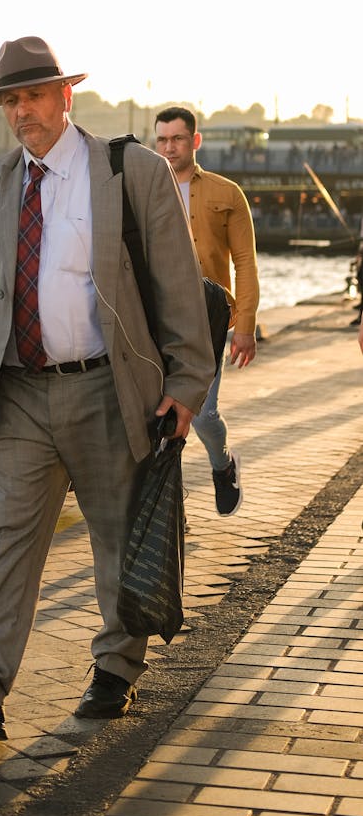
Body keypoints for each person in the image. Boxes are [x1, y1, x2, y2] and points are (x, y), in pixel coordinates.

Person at [0, 36, 214, 742]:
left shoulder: (129, 171)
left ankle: (115, 670)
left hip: (108, 388)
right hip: (16, 392)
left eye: (34, 95)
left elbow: (176, 284)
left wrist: (190, 383)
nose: (22, 112)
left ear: (65, 96)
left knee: (116, 537)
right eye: (10, 100)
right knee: (6, 539)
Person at [154, 107, 260, 517]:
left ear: (194, 141)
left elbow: (245, 263)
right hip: (158, 321)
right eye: (162, 140)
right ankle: (170, 512)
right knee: (159, 418)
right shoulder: (144, 190)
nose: (169, 147)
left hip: (209, 320)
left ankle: (223, 464)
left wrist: (246, 327)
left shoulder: (226, 193)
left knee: (202, 415)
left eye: (177, 139)